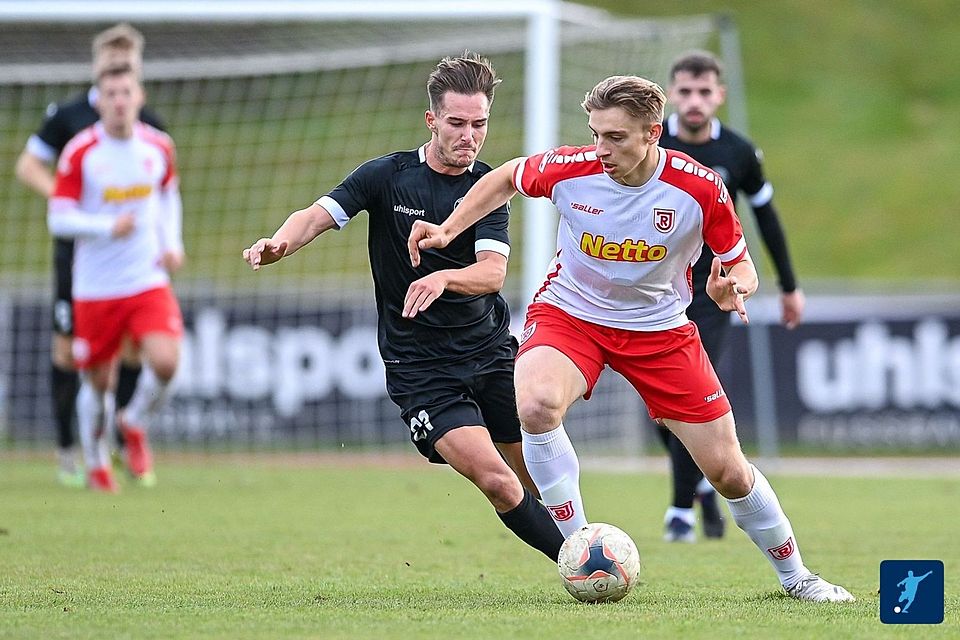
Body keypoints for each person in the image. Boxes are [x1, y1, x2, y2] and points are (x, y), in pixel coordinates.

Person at [408, 74, 854, 602]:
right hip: (571, 315)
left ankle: (797, 577)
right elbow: (507, 177)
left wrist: (732, 287)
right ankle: (579, 545)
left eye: (615, 137)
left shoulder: (699, 187)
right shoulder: (572, 168)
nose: (601, 149)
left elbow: (743, 266)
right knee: (536, 404)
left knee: (729, 472)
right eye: (596, 133)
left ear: (652, 133)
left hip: (659, 330)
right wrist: (448, 229)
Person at [241, 53, 564, 562]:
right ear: (432, 119)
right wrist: (279, 242)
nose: (469, 136)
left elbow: (492, 274)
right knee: (500, 483)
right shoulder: (386, 177)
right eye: (457, 123)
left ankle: (586, 550)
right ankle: (582, 563)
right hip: (420, 369)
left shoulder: (485, 190)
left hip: (491, 353)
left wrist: (443, 277)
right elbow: (316, 215)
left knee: (534, 480)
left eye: (479, 124)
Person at [655, 50, 806, 543]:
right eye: (685, 91)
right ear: (671, 94)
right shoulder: (651, 143)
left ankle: (680, 513)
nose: (694, 101)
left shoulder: (739, 153)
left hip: (711, 292)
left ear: (719, 95)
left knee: (688, 396)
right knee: (658, 409)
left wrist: (788, 285)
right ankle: (699, 482)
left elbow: (767, 219)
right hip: (652, 287)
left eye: (704, 92)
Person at [15, 23, 166, 487]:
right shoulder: (69, 116)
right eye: (111, 62)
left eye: (129, 63)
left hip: (134, 261)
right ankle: (67, 451)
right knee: (69, 353)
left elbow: (163, 190)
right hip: (81, 254)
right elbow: (27, 165)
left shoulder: (150, 125)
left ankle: (119, 440)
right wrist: (69, 202)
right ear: (97, 68)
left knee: (135, 349)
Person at [47, 63, 185, 492]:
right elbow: (58, 218)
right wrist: (106, 227)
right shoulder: (81, 152)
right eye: (111, 94)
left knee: (166, 362)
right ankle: (95, 463)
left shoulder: (158, 147)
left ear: (138, 97)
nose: (120, 101)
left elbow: (168, 195)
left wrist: (172, 242)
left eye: (127, 92)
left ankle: (133, 421)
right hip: (95, 286)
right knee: (99, 380)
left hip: (146, 277)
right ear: (99, 101)